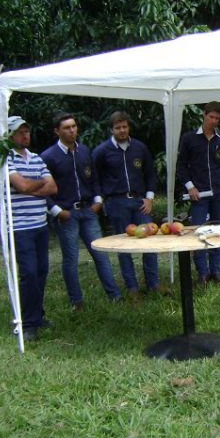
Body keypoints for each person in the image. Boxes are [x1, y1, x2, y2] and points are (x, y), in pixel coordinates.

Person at [41, 112, 122, 311]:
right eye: (67, 127)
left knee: (101, 254)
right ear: (57, 131)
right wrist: (57, 211)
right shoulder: (49, 157)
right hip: (67, 214)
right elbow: (43, 189)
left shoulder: (84, 151)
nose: (72, 130)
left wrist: (98, 200)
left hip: (88, 211)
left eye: (74, 126)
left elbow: (94, 178)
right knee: (71, 259)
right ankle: (76, 301)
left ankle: (114, 295)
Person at [0, 116, 58, 340]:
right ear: (10, 135)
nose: (25, 135)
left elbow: (52, 187)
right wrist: (34, 184)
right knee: (28, 272)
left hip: (40, 223)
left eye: (27, 131)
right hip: (19, 226)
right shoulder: (3, 158)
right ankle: (27, 323)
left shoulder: (36, 158)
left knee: (41, 271)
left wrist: (29, 186)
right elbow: (23, 185)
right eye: (20, 132)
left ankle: (36, 315)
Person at [92, 111, 168, 298]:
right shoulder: (102, 151)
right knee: (123, 245)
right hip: (116, 202)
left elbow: (150, 173)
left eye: (124, 126)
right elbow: (95, 178)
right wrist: (101, 199)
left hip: (140, 201)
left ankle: (153, 283)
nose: (122, 130)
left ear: (129, 127)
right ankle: (132, 287)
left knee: (149, 242)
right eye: (118, 128)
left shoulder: (139, 148)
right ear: (111, 130)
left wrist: (149, 198)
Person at [176, 101, 220, 285]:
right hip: (199, 194)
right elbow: (181, 165)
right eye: (211, 117)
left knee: (217, 230)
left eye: (217, 118)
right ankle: (202, 272)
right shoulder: (189, 138)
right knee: (200, 231)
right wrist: (190, 186)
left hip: (218, 192)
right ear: (204, 114)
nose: (214, 121)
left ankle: (215, 270)